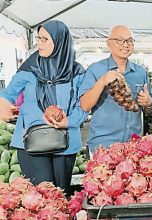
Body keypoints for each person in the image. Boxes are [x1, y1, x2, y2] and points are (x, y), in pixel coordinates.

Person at [0, 20, 87, 194]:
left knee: (61, 195)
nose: (39, 43)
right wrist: (3, 103)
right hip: (31, 142)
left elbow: (83, 106)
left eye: (45, 39)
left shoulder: (77, 73)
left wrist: (68, 121)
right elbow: (8, 93)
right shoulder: (29, 68)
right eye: (38, 38)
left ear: (60, 41)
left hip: (65, 142)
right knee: (40, 196)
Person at [79, 25, 152, 155]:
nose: (126, 45)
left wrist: (149, 103)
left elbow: (150, 108)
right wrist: (102, 81)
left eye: (129, 40)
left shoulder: (140, 72)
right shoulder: (95, 69)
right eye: (120, 40)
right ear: (109, 43)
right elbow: (84, 105)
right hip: (103, 146)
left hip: (133, 147)